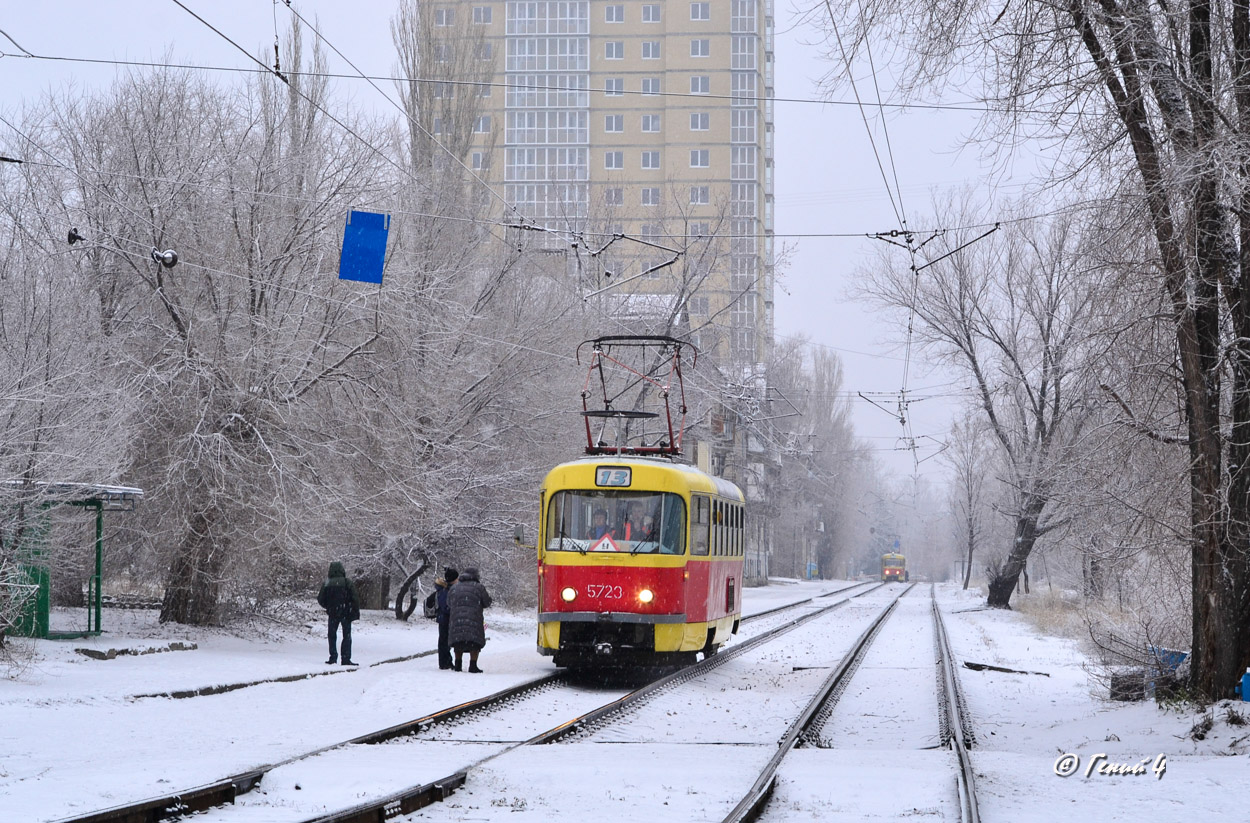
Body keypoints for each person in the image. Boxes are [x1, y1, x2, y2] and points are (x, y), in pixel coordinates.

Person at [447, 566, 492, 673]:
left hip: (457, 618)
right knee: (474, 642)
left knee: (458, 641)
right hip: (474, 618)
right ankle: (473, 665)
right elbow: (486, 602)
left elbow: (448, 603)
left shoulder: (454, 587)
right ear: (476, 576)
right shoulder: (479, 587)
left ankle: (458, 664)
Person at [317, 561, 360, 666]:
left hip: (333, 613)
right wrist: (352, 609)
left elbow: (320, 599)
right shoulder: (347, 582)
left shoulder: (327, 583)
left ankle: (333, 657)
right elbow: (355, 598)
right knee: (347, 636)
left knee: (332, 635)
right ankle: (345, 658)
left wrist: (328, 607)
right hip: (346, 613)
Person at [434, 567, 459, 670]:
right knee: (444, 641)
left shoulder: (444, 589)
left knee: (445, 640)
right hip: (445, 618)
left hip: (444, 618)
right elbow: (445, 606)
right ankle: (445, 662)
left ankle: (446, 661)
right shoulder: (446, 590)